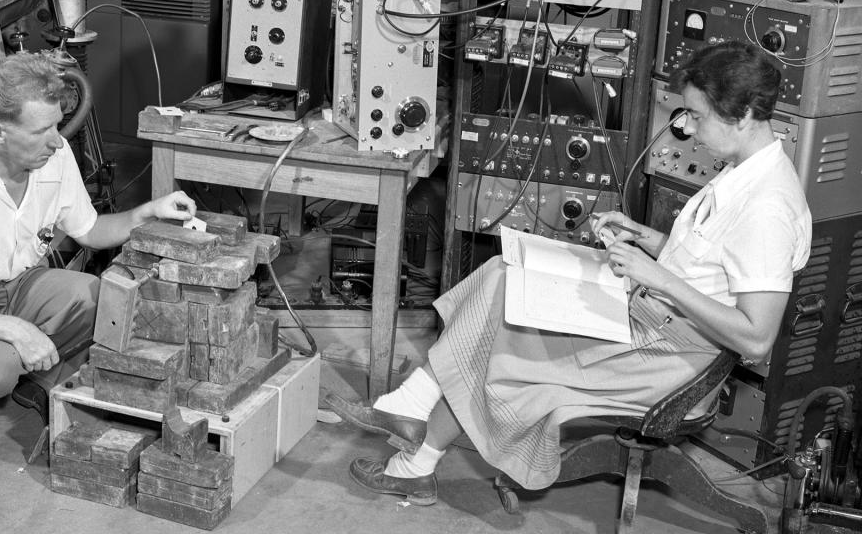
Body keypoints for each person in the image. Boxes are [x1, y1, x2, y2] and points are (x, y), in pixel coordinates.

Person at [327, 40, 813, 505]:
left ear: (745, 115)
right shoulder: (743, 168)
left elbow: (755, 338)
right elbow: (712, 267)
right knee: (503, 273)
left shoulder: (767, 206)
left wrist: (658, 277)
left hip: (672, 354)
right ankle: (413, 417)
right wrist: (648, 238)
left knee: (502, 329)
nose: (687, 126)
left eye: (698, 116)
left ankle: (414, 449)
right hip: (653, 314)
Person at [0, 52, 197, 440]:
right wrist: (16, 331)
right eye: (43, 130)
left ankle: (37, 380)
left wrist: (147, 212)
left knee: (101, 301)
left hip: (22, 286)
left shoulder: (52, 161)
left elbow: (90, 230)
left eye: (57, 125)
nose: (58, 142)